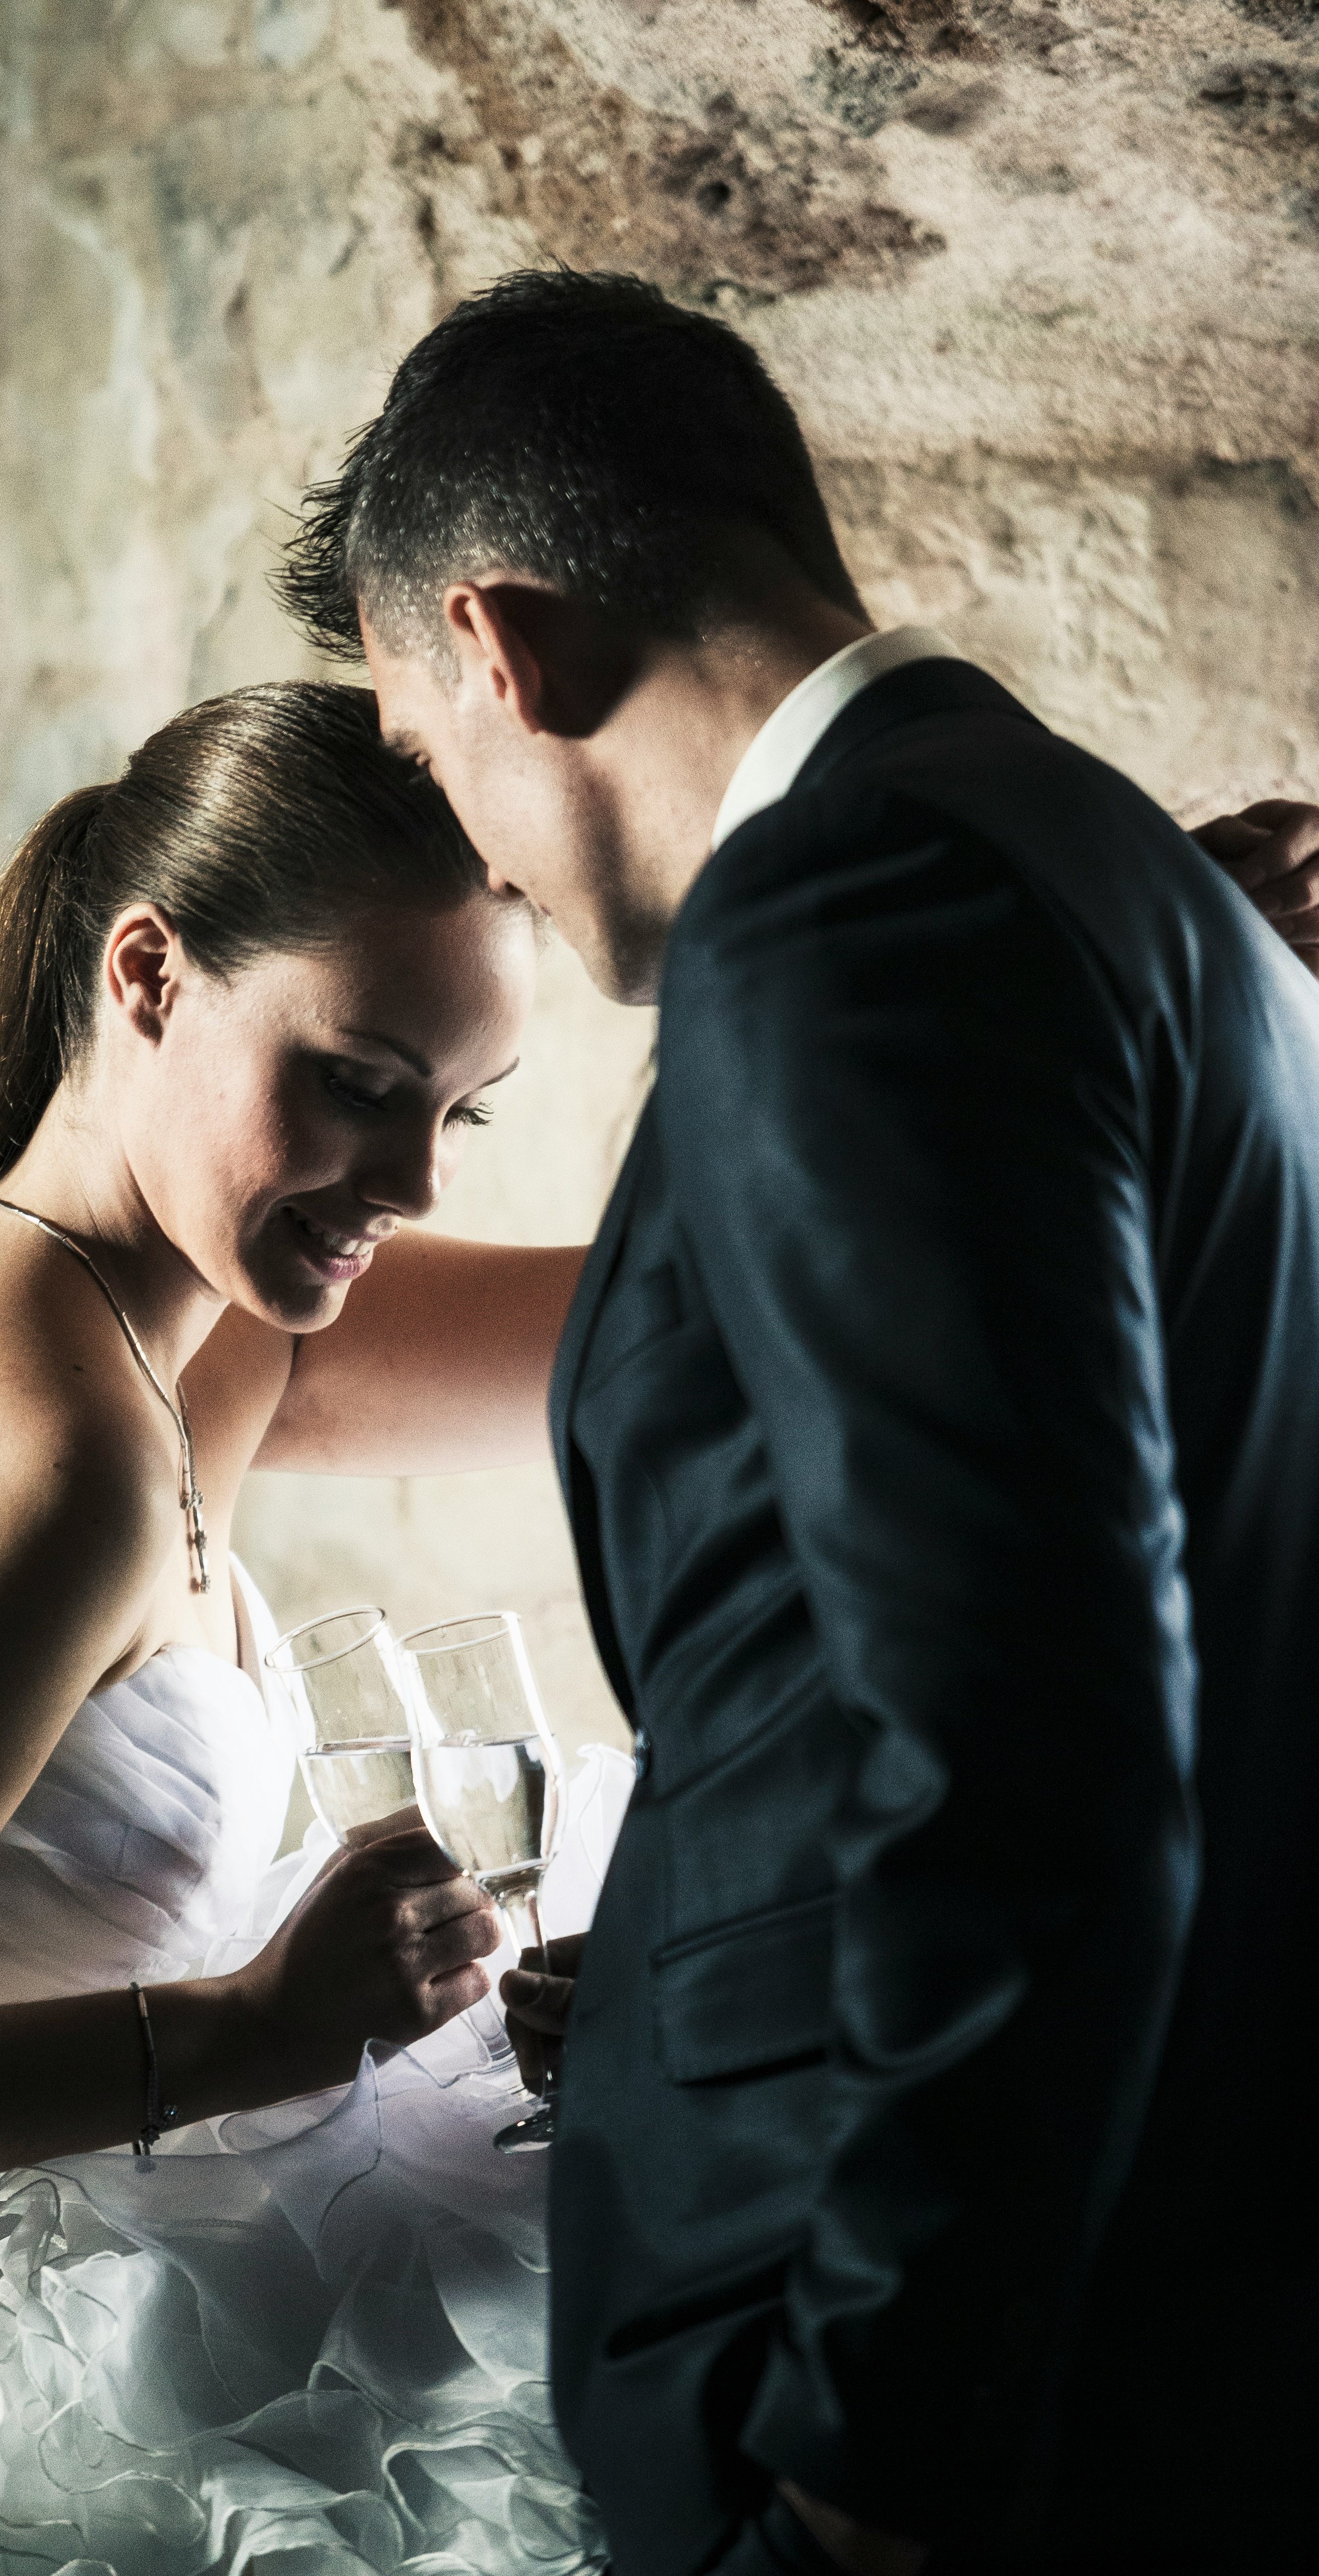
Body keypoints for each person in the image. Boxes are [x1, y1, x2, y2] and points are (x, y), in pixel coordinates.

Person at [280, 267, 1319, 2574]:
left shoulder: (846, 908)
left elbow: (1027, 1741)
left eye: (423, 740)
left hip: (906, 2399)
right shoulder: (1131, 877)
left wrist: (868, 2463)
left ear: (501, 644)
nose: (481, 842)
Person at [0, 681, 619, 2576]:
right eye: (358, 1083)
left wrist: (1095, 984)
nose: (408, 1186)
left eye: (465, 1113)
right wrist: (263, 2027)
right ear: (149, 973)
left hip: (60, 2271)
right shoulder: (40, 1459)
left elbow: (673, 1305)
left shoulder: (174, 1319)